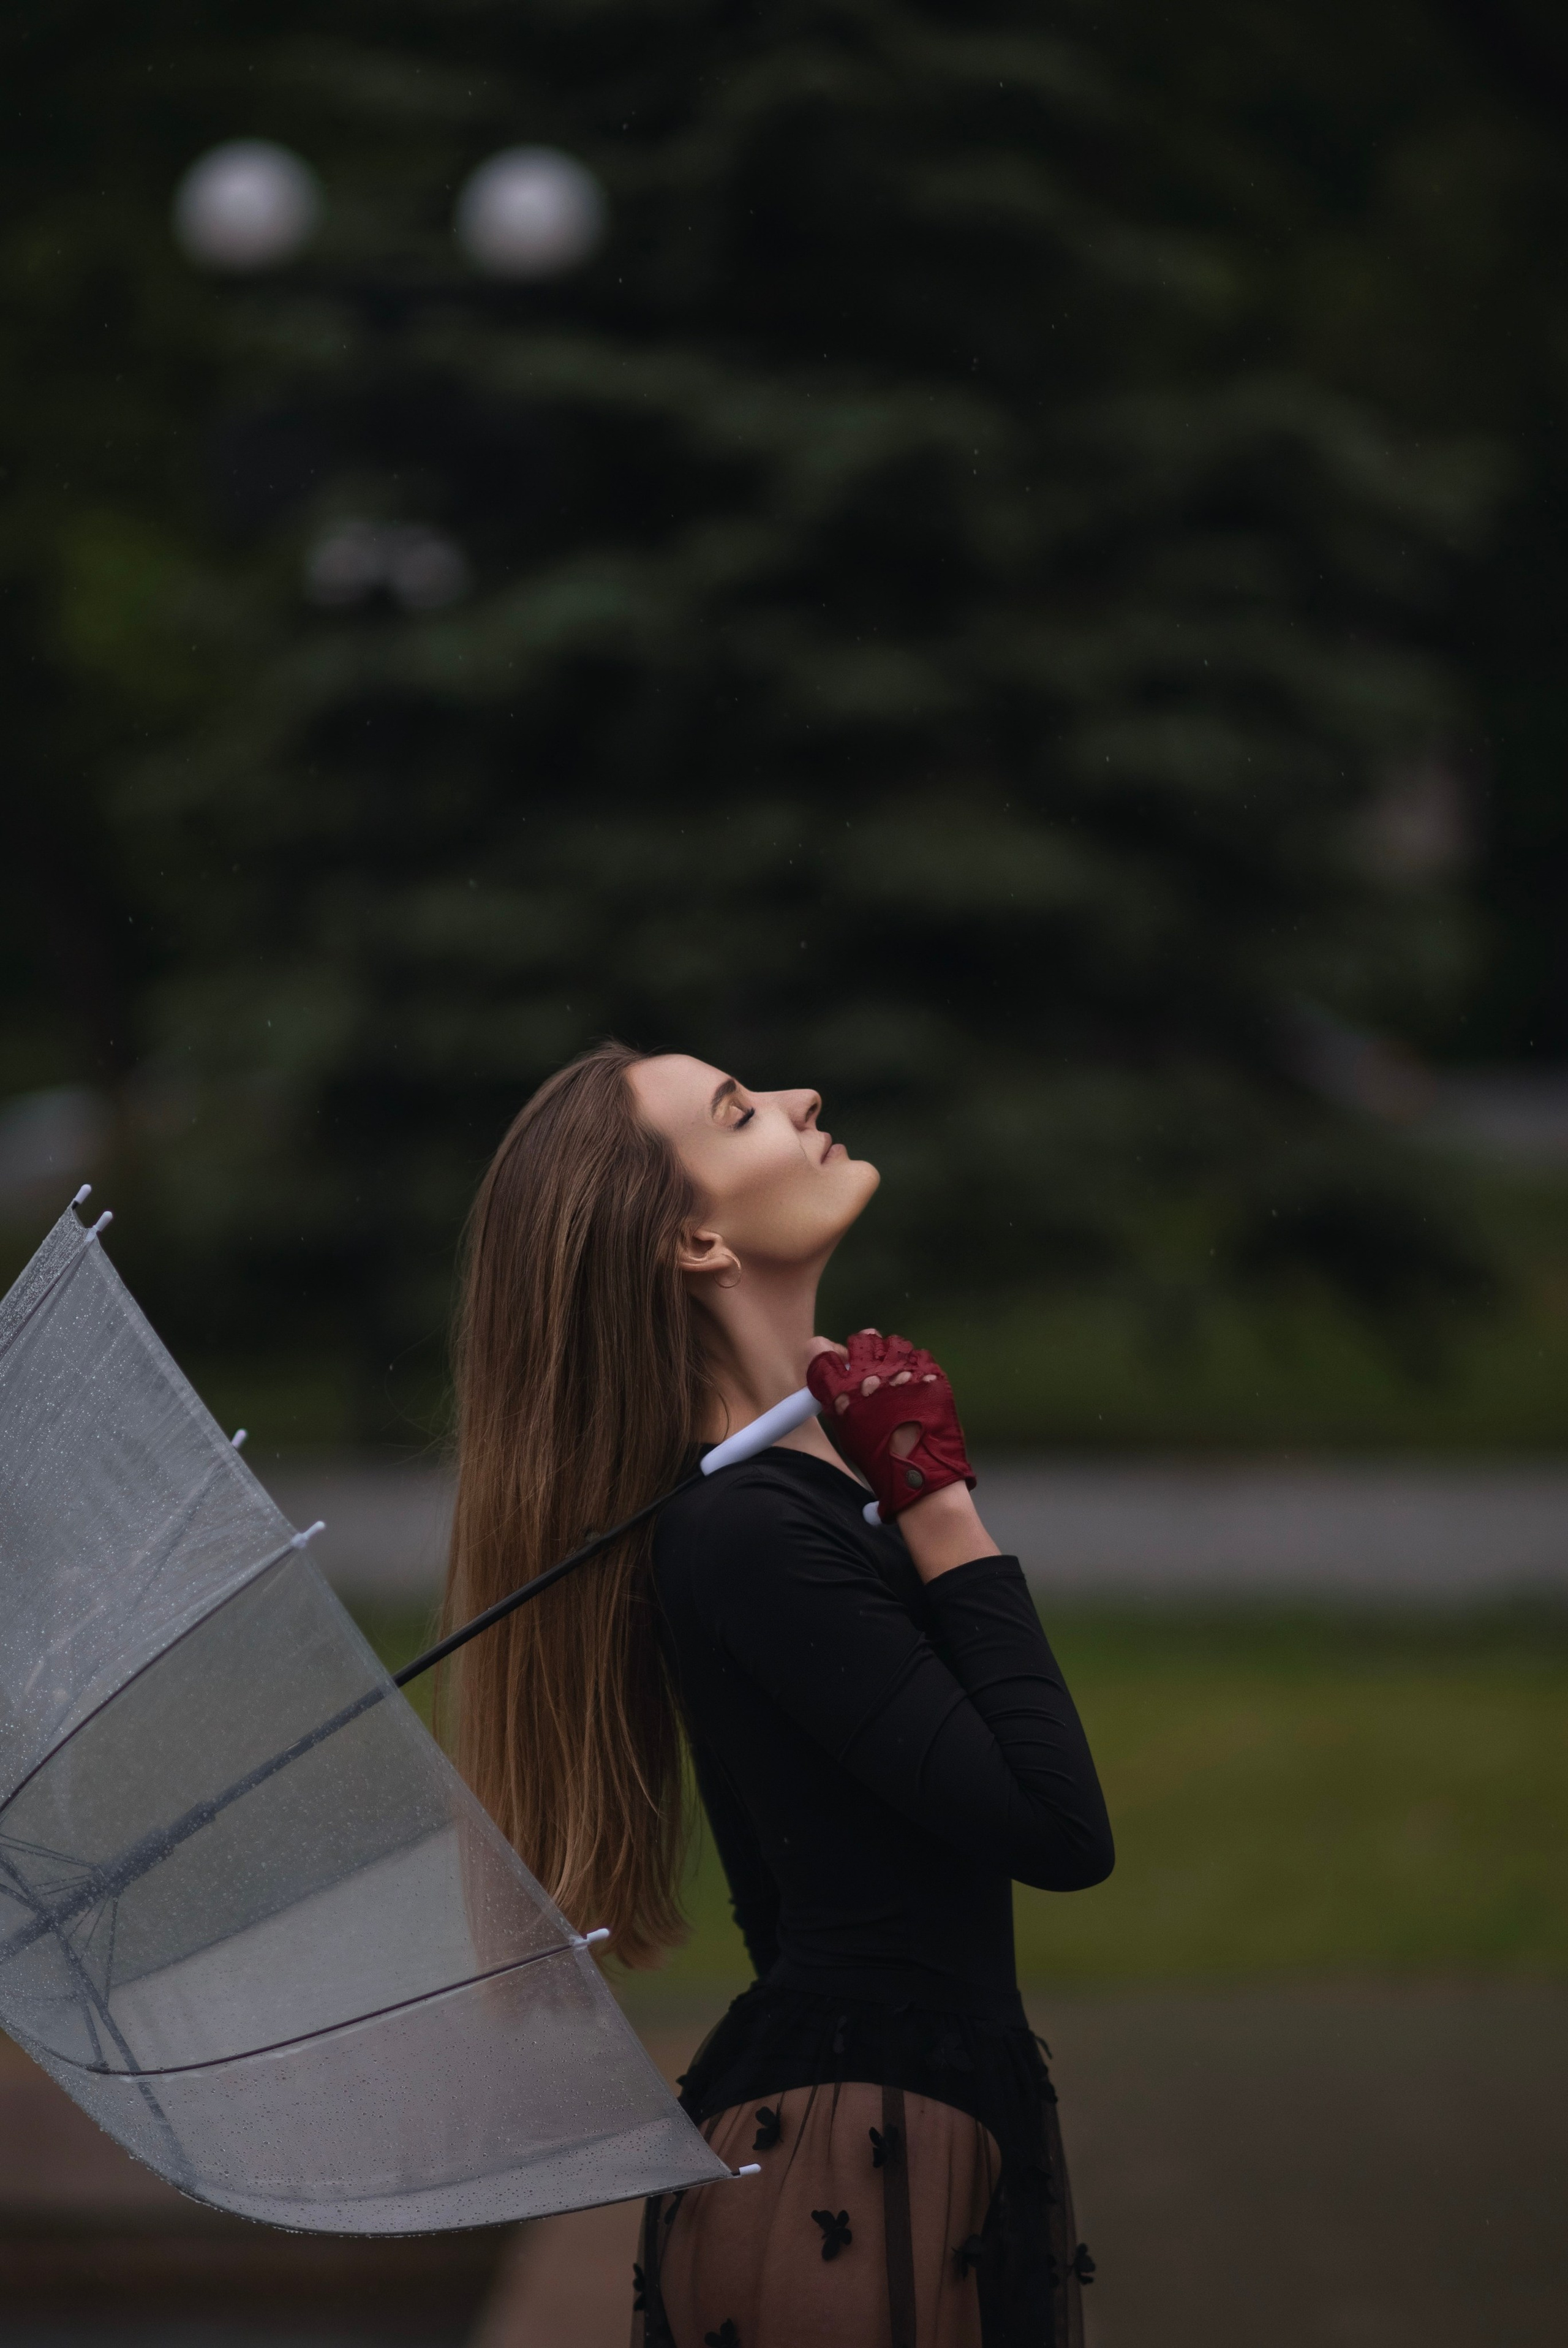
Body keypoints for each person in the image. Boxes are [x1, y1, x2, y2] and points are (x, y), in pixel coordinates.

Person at [443, 1041, 1114, 2348]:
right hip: (851, 2162)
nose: (802, 1101)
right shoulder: (749, 1534)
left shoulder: (790, 1498)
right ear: (693, 1239)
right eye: (739, 1113)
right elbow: (1055, 1826)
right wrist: (936, 1501)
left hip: (903, 2120)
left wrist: (889, 1481)